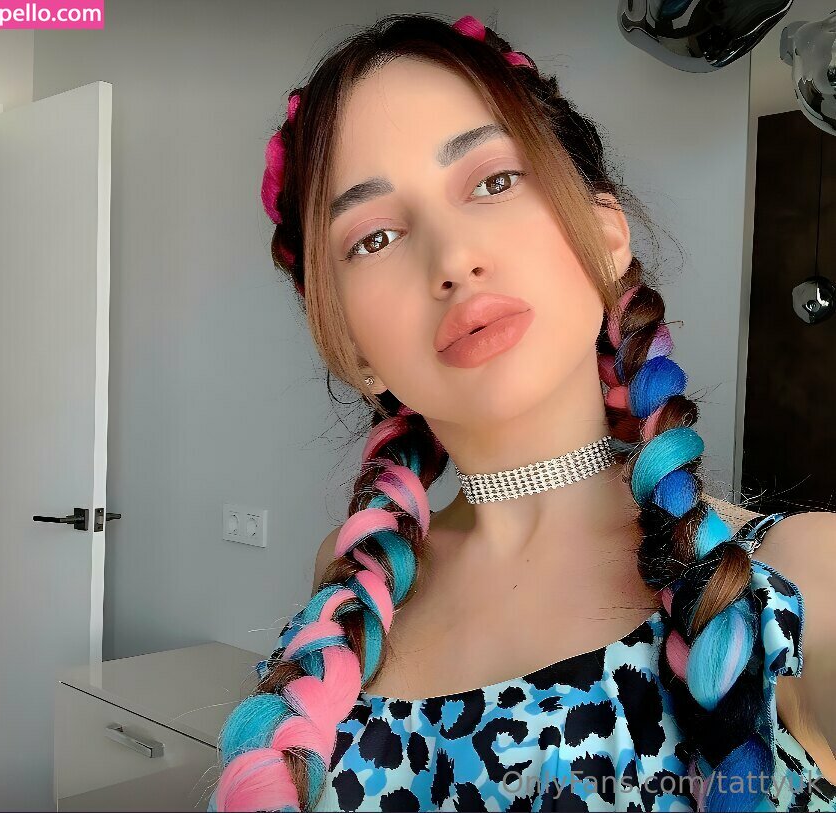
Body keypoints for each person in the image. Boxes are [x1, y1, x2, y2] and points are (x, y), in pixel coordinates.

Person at [205, 13, 836, 812]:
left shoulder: (807, 577)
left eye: (493, 182)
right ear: (351, 346)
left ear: (604, 233)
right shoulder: (351, 581)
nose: (452, 259)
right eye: (374, 237)